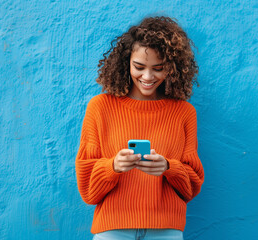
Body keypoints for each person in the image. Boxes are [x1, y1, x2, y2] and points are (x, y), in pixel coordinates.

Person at [75, 16, 204, 240]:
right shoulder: (100, 107)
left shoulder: (184, 112)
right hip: (112, 229)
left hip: (166, 230)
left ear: (172, 68)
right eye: (139, 67)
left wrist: (167, 167)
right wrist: (113, 166)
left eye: (158, 68)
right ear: (126, 63)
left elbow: (191, 186)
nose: (147, 76)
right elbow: (87, 189)